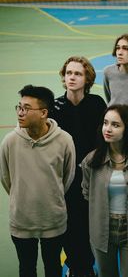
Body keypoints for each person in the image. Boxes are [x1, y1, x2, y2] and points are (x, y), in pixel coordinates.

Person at [0, 84, 76, 277]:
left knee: (53, 267)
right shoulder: (10, 141)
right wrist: (22, 197)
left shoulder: (64, 140)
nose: (20, 112)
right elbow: (6, 178)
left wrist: (52, 196)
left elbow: (67, 177)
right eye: (19, 107)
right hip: (22, 221)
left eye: (26, 108)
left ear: (43, 112)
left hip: (53, 220)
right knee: (26, 268)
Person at [81, 104, 128, 277]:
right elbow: (86, 191)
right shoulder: (92, 160)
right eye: (105, 123)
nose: (107, 129)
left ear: (127, 129)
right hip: (102, 228)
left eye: (115, 125)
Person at [51, 56, 107, 277]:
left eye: (77, 73)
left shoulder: (96, 104)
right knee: (69, 225)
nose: (72, 77)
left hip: (91, 176)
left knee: (89, 225)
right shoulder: (55, 106)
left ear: (87, 79)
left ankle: (86, 266)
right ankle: (76, 266)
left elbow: (103, 141)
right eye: (69, 73)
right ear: (64, 77)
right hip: (64, 178)